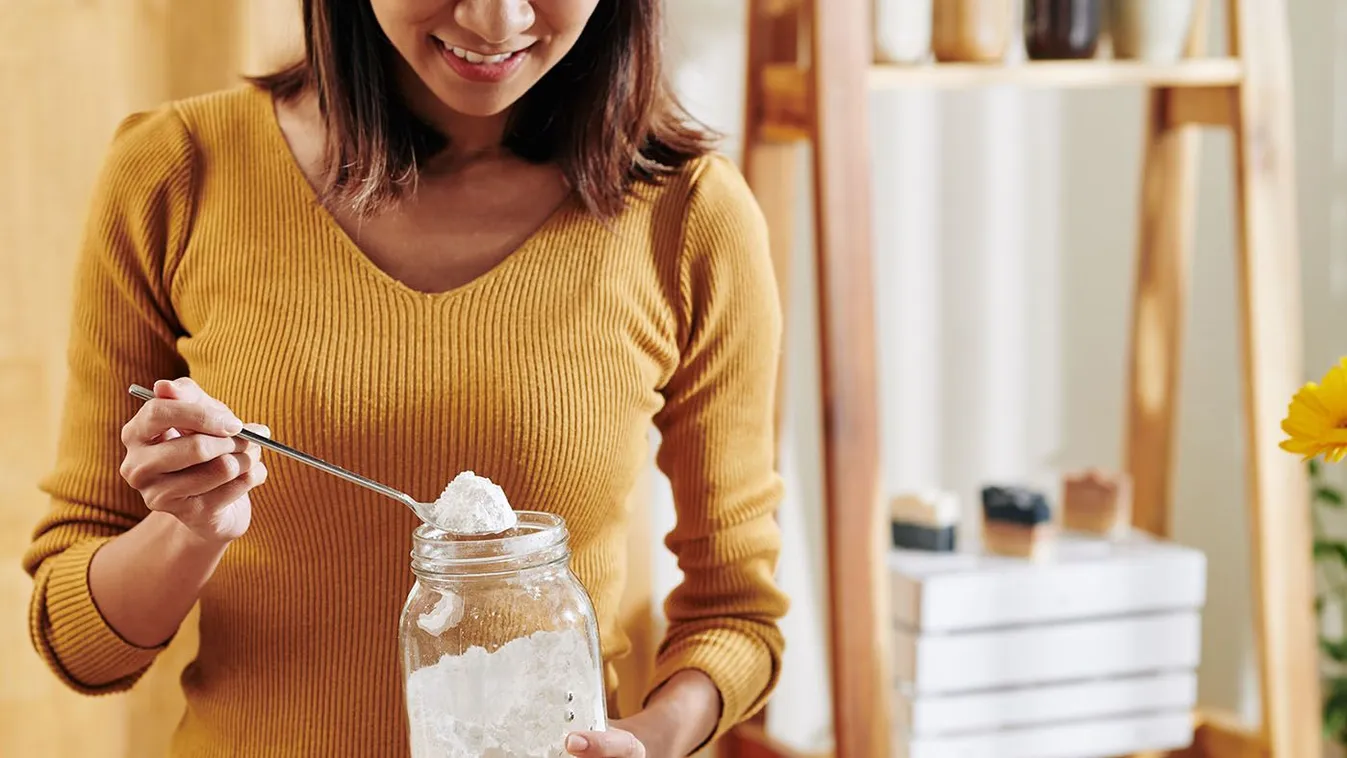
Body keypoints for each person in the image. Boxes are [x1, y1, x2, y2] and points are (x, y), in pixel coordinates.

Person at [21, 1, 788, 756]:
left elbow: (735, 614)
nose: (495, 22)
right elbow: (82, 649)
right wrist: (188, 531)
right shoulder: (178, 172)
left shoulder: (690, 216)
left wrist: (645, 742)